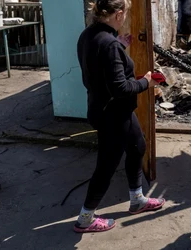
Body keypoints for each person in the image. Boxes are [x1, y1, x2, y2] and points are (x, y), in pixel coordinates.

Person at [74, 0, 165, 233]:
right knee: (106, 166)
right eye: (124, 14)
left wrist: (119, 47)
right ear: (118, 14)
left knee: (138, 147)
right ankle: (85, 219)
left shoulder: (88, 35)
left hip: (106, 108)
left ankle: (137, 200)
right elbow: (121, 88)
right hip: (112, 114)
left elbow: (100, 65)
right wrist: (147, 81)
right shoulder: (110, 44)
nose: (124, 19)